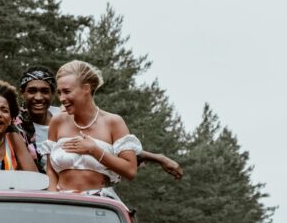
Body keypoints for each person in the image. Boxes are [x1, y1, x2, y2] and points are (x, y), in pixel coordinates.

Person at [17, 63, 183, 179]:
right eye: (32, 91)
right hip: (40, 189)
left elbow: (108, 145)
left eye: (45, 91)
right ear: (22, 93)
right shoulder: (15, 124)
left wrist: (159, 159)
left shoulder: (63, 116)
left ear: (52, 94)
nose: (38, 97)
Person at [44, 59, 142, 193]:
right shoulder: (57, 122)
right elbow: (50, 170)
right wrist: (53, 198)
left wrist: (94, 150)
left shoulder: (113, 122)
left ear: (86, 88)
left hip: (98, 204)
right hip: (62, 202)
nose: (61, 98)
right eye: (59, 93)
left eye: (67, 91)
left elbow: (130, 171)